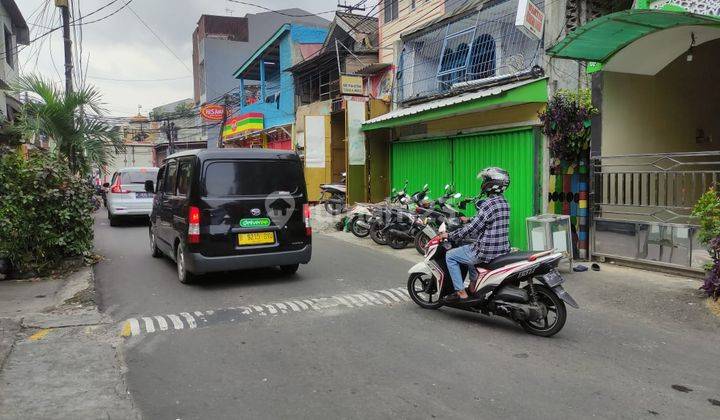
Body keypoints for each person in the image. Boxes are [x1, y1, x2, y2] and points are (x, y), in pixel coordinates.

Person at [441, 167, 511, 302]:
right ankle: (473, 286)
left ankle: (461, 292)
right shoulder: (504, 202)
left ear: (492, 184)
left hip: (487, 251)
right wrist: (470, 219)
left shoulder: (488, 204)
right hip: (502, 249)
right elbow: (489, 219)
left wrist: (449, 236)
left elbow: (472, 229)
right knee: (469, 250)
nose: (483, 183)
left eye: (485, 180)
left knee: (451, 256)